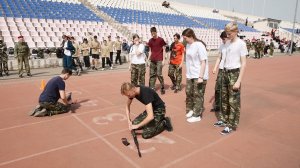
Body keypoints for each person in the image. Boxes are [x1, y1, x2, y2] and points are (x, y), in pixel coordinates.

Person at [214, 22, 247, 135]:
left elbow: (243, 64)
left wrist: (238, 81)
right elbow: (224, 59)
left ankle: (231, 124)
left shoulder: (241, 44)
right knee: (224, 99)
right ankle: (224, 119)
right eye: (227, 34)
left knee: (233, 101)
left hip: (234, 73)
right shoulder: (227, 43)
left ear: (236, 31)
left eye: (229, 34)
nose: (228, 36)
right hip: (225, 72)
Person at [182, 28, 208, 123]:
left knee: (198, 94)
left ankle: (197, 115)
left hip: (199, 74)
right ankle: (192, 109)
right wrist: (188, 74)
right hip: (190, 74)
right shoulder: (188, 45)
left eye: (185, 38)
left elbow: (203, 62)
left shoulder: (199, 45)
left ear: (191, 36)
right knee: (189, 92)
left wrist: (201, 77)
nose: (184, 40)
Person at [211, 31, 228, 113]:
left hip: (228, 69)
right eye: (222, 39)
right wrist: (215, 67)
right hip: (221, 69)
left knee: (226, 90)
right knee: (217, 88)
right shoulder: (222, 46)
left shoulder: (232, 46)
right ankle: (217, 106)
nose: (223, 41)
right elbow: (219, 57)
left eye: (224, 39)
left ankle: (225, 108)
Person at [147, 27, 167, 94]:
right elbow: (150, 51)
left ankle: (162, 86)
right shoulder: (150, 40)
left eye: (154, 33)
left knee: (159, 74)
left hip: (159, 59)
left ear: (156, 32)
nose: (153, 35)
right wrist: (148, 60)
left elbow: (164, 50)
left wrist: (164, 60)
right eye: (152, 34)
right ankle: (152, 88)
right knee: (152, 74)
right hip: (152, 60)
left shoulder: (161, 40)